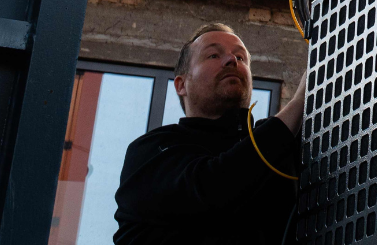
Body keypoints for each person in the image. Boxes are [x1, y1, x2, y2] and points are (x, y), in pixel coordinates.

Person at [114, 22, 305, 244]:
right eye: (213, 55)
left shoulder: (281, 145)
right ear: (181, 85)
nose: (231, 60)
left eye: (241, 58)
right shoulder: (151, 150)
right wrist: (299, 102)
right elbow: (213, 190)